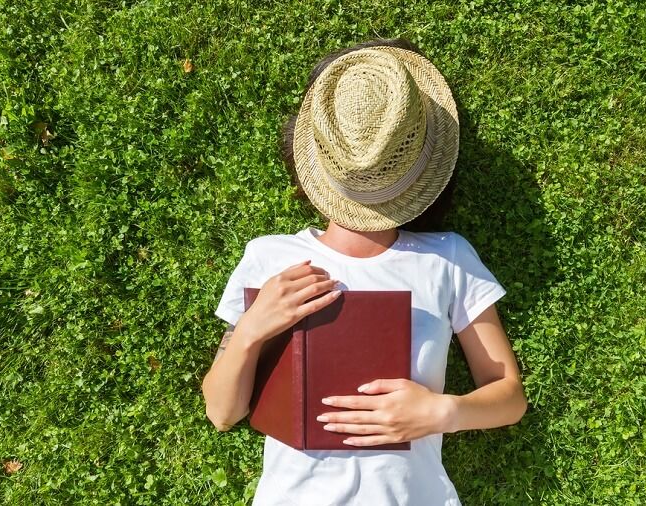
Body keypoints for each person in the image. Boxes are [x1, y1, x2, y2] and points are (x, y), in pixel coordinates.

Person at [201, 37, 528, 506]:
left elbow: (509, 397)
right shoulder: (269, 257)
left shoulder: (447, 259)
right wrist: (251, 329)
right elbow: (222, 412)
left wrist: (441, 412)